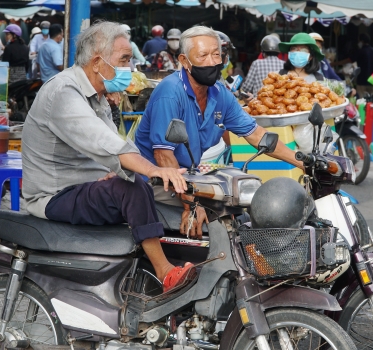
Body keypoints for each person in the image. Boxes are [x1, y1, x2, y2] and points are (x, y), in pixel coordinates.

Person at [22, 21, 195, 293]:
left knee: (148, 190)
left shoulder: (99, 94)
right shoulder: (64, 91)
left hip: (86, 187)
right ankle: (164, 273)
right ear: (97, 61)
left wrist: (136, 172)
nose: (129, 68)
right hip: (54, 195)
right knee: (134, 188)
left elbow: (115, 146)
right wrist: (153, 170)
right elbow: (105, 143)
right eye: (124, 59)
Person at [135, 26, 303, 238]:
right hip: (155, 178)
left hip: (186, 175)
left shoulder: (219, 94)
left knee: (240, 203)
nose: (213, 62)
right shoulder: (170, 93)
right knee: (219, 214)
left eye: (216, 54)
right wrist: (191, 205)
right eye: (203, 55)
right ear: (185, 62)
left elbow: (257, 134)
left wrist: (303, 163)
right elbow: (163, 155)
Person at [241, 34, 285, 100]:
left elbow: (247, 87)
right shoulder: (284, 64)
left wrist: (240, 91)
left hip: (259, 103)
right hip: (278, 104)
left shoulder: (257, 63)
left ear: (263, 52)